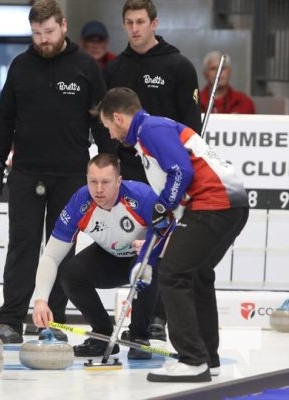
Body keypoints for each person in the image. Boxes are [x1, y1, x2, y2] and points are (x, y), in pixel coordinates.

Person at [0, 0, 116, 344]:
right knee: (22, 246)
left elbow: (102, 124)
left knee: (61, 248)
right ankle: (10, 320)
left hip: (72, 173)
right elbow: (5, 122)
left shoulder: (85, 67)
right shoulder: (20, 66)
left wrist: (109, 165)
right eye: (36, 33)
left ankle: (51, 322)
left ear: (63, 26)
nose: (43, 39)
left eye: (49, 32)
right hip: (27, 171)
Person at [98, 87, 249, 382]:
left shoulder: (150, 129)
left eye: (108, 127)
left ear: (118, 118)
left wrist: (163, 203)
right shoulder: (154, 131)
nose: (111, 135)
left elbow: (181, 172)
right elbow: (177, 185)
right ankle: (208, 356)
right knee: (197, 274)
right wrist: (164, 209)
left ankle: (192, 360)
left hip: (214, 204)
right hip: (231, 204)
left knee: (173, 273)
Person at [103, 0, 202, 340]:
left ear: (154, 23)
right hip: (130, 171)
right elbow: (109, 127)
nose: (134, 28)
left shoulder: (178, 65)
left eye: (141, 21)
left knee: (164, 246)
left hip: (167, 172)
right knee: (137, 245)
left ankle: (158, 318)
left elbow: (192, 127)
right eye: (128, 22)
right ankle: (138, 321)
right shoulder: (115, 68)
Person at [32, 153, 172, 358]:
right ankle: (102, 334)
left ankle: (139, 336)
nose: (98, 189)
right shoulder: (80, 202)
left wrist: (154, 246)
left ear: (118, 181)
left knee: (148, 263)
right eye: (93, 181)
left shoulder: (141, 197)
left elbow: (175, 236)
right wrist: (40, 301)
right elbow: (51, 257)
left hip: (141, 257)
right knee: (71, 273)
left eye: (105, 182)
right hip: (110, 259)